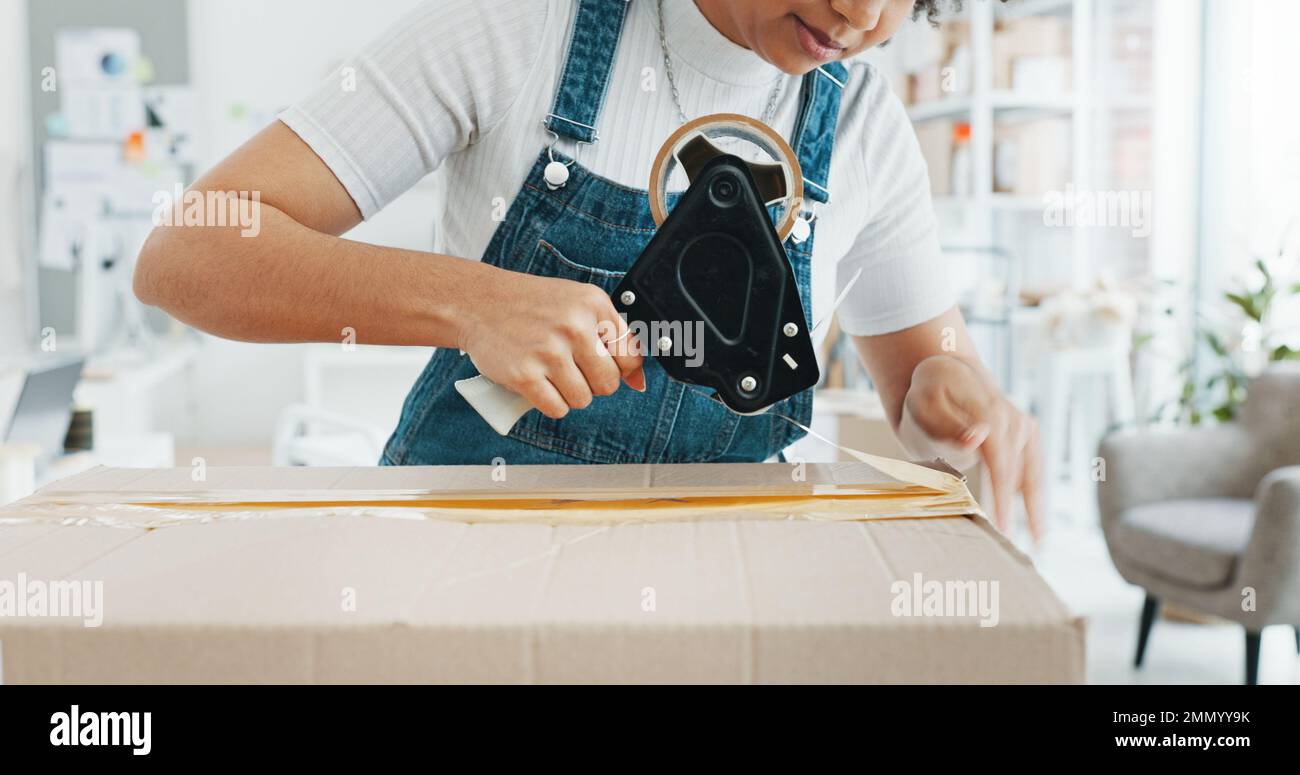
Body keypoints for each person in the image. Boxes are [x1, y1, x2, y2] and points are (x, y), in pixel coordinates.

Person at [134, 0, 1040, 536]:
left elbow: (926, 372)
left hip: (727, 599)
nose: (861, 15)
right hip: (466, 585)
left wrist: (951, 394)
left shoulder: (865, 123)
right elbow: (189, 251)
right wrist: (472, 303)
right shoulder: (518, 28)